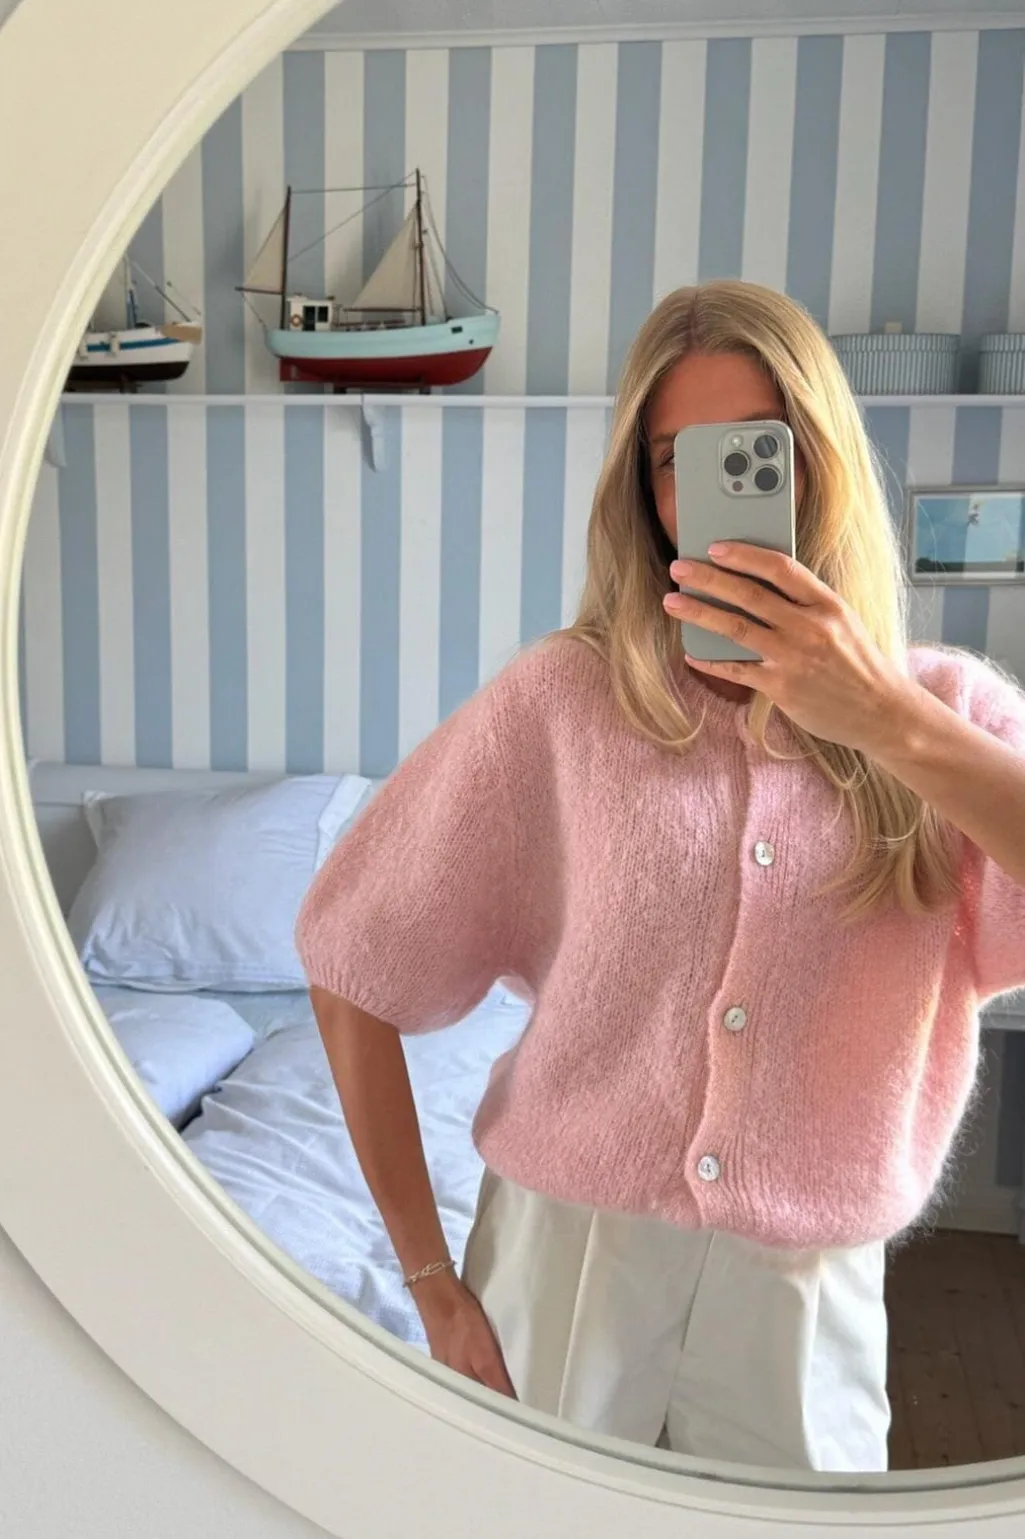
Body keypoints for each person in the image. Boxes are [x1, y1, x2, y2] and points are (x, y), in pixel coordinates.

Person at [295, 280, 1025, 1473]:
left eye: (755, 448)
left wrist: (881, 719)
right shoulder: (560, 703)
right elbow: (348, 964)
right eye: (675, 457)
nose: (713, 488)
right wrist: (429, 1281)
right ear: (642, 490)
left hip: (802, 1297)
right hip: (568, 1266)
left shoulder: (947, 714)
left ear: (819, 463)